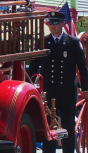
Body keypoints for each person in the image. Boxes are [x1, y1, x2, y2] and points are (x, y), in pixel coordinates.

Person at [28, 11, 88, 153]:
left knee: (67, 127)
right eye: (50, 23)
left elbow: (83, 68)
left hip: (67, 92)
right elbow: (33, 68)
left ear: (62, 23)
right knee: (49, 128)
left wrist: (85, 89)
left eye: (55, 22)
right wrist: (30, 86)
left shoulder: (72, 42)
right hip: (49, 92)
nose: (52, 26)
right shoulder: (43, 42)